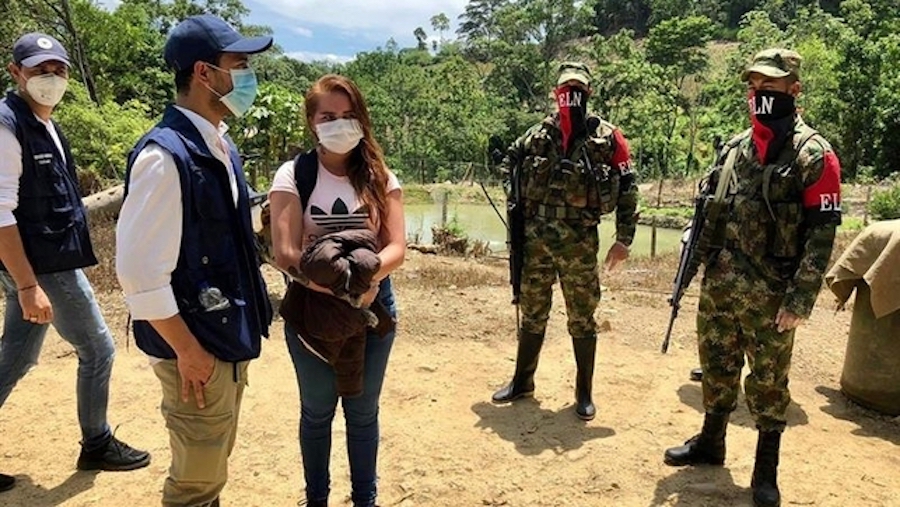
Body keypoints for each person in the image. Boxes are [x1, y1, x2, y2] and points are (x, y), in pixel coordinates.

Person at [663, 48, 842, 507]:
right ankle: (711, 443)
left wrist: (800, 300)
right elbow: (710, 213)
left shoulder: (814, 155)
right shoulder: (734, 149)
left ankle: (765, 473)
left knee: (767, 382)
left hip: (773, 293)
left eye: (772, 85)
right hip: (722, 284)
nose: (760, 93)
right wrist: (692, 267)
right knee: (718, 367)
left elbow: (821, 236)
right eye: (755, 86)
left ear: (794, 90)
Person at [115, 15, 273, 507]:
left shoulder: (221, 145)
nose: (247, 77)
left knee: (212, 460)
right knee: (195, 480)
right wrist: (188, 351)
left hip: (224, 335)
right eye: (240, 65)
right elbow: (138, 275)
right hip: (198, 348)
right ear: (205, 73)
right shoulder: (164, 158)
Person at [0, 32, 151, 491]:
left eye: (58, 69)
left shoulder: (42, 122)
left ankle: (97, 440)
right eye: (40, 69)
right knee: (98, 349)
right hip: (42, 267)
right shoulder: (8, 126)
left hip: (40, 263)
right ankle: (97, 442)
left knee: (17, 357)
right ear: (16, 73)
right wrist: (28, 284)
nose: (51, 78)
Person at [268, 74, 405, 507]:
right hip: (312, 311)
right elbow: (286, 252)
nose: (339, 124)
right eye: (328, 116)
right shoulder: (294, 176)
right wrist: (341, 288)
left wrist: (365, 282)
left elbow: (396, 248)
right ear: (312, 122)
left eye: (348, 116)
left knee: (363, 414)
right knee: (317, 412)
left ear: (362, 120)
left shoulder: (380, 177)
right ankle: (317, 500)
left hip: (372, 307)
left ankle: (366, 499)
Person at [491, 62, 639, 421]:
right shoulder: (538, 135)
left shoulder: (608, 137)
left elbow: (629, 188)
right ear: (556, 93)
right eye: (564, 88)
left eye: (577, 88)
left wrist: (624, 239)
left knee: (582, 316)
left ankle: (584, 392)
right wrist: (502, 167)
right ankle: (523, 381)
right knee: (533, 310)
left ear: (588, 93)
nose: (570, 94)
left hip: (579, 241)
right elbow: (510, 164)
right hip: (536, 240)